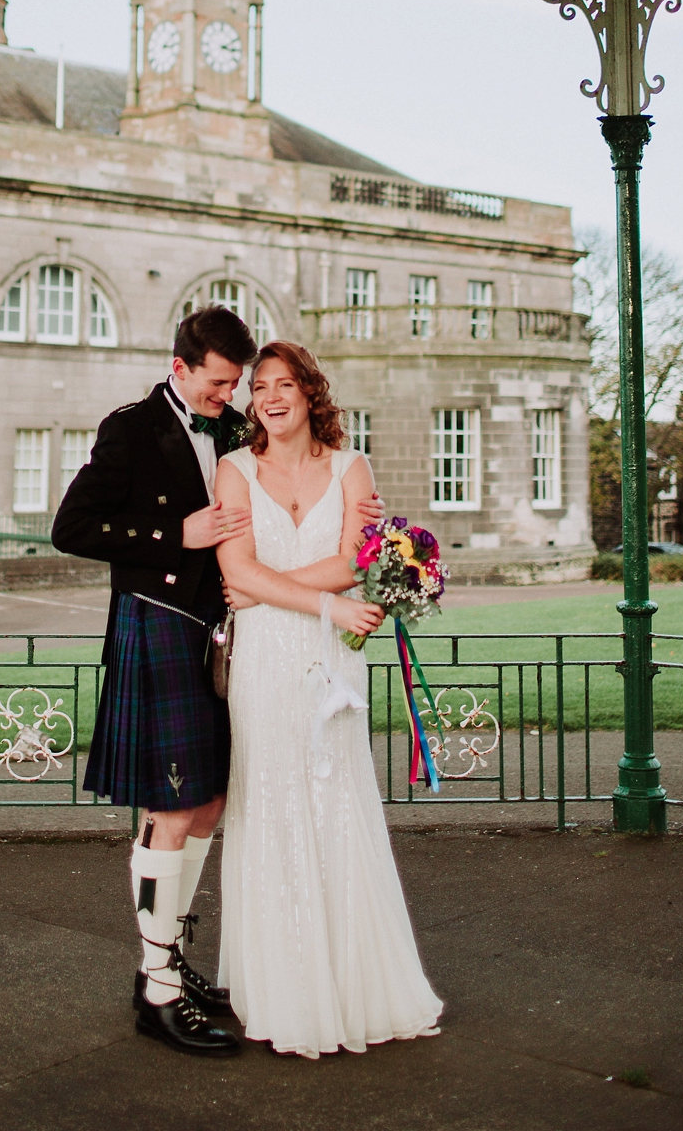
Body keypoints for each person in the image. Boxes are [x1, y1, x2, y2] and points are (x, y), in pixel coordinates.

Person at [214, 341, 443, 1059]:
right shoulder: (233, 470)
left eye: (286, 384)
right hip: (262, 664)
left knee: (335, 804)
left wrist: (275, 594)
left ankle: (353, 990)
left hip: (326, 662)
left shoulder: (352, 468)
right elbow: (233, 565)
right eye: (260, 387)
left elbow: (355, 559)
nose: (271, 396)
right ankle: (283, 991)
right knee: (271, 804)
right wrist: (327, 604)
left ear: (311, 394)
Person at [52, 306, 257, 1056]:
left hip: (220, 634)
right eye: (216, 382)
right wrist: (174, 533)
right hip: (158, 622)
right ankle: (157, 985)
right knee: (169, 808)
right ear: (180, 368)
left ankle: (171, 955)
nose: (226, 396)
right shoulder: (131, 428)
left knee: (206, 802)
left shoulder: (233, 431)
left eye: (234, 384)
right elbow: (70, 528)